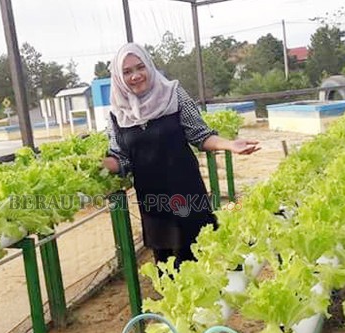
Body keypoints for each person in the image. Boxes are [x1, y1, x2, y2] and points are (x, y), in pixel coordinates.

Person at [103, 43, 260, 268]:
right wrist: (95, 165)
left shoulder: (173, 94)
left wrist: (229, 145)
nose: (136, 76)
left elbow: (200, 135)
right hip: (154, 204)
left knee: (203, 259)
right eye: (127, 71)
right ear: (119, 77)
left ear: (149, 66)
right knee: (167, 268)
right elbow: (122, 159)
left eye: (140, 67)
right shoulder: (117, 114)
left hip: (187, 191)